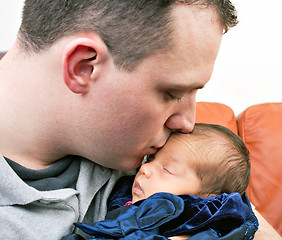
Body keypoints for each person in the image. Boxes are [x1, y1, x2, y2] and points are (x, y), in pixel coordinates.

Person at [0, 0, 238, 239]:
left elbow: (230, 206)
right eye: (172, 93)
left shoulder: (141, 148)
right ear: (84, 67)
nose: (187, 123)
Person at [64, 123, 258, 239]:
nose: (145, 169)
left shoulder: (196, 228)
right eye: (150, 159)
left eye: (167, 170)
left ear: (208, 198)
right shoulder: (122, 190)